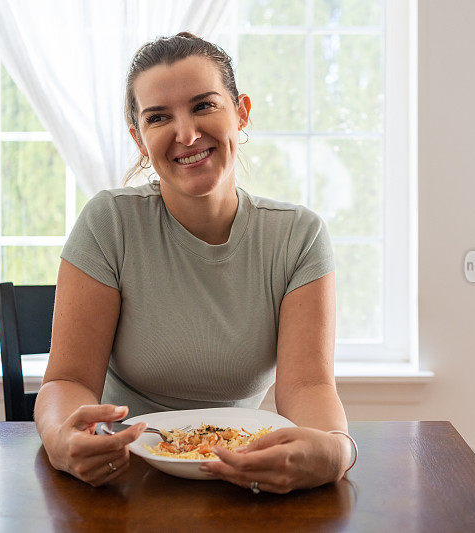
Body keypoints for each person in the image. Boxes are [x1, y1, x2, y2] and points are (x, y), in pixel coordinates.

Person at [34, 32, 354, 494]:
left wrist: (336, 449)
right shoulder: (109, 222)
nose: (185, 134)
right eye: (159, 117)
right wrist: (62, 439)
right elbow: (66, 379)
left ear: (241, 112)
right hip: (122, 472)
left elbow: (307, 389)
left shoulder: (299, 236)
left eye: (204, 106)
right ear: (139, 139)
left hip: (243, 470)